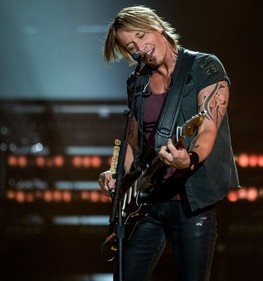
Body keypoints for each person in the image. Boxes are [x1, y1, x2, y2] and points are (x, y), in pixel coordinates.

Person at [98, 5, 239, 281]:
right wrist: (116, 173)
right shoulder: (137, 82)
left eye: (141, 35)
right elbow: (133, 142)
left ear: (156, 26)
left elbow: (207, 128)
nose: (141, 47)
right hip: (146, 203)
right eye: (131, 46)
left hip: (190, 202)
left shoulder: (203, 66)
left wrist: (191, 158)